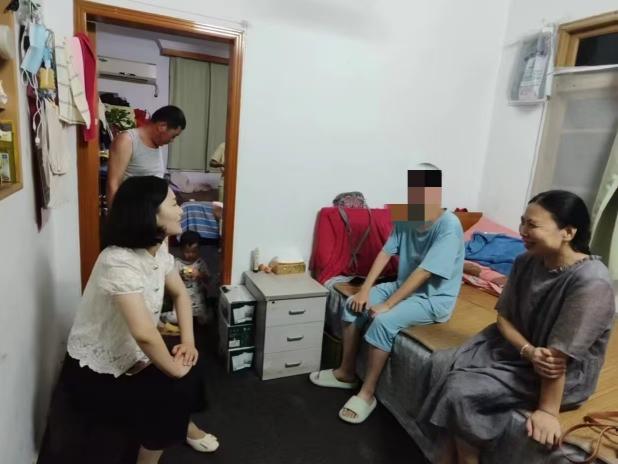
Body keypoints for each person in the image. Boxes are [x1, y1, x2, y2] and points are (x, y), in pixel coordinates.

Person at [411, 190, 616, 464]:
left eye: (532, 225)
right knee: (439, 364)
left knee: (461, 389)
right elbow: (503, 318)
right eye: (522, 222)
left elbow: (555, 360)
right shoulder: (525, 260)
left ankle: (464, 459)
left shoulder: (591, 282)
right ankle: (447, 455)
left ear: (568, 232)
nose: (522, 231)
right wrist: (528, 350)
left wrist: (547, 411)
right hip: (516, 348)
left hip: (564, 374)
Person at [38, 176, 218, 464]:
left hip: (136, 352)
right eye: (174, 204)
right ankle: (150, 457)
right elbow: (144, 333)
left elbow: (180, 294)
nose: (181, 210)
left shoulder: (159, 248)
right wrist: (173, 369)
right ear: (151, 213)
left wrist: (188, 342)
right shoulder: (118, 261)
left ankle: (182, 425)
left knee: (190, 367)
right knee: (176, 382)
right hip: (99, 368)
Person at [310, 165, 465, 424]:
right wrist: (364, 291)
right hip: (402, 284)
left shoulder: (450, 225)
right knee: (352, 305)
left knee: (383, 321)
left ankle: (367, 393)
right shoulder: (408, 214)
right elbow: (385, 252)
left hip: (433, 298)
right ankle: (346, 372)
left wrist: (389, 304)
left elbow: (425, 272)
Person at [106, 105, 186, 205]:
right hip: (133, 211)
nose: (172, 140)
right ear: (162, 126)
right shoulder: (127, 140)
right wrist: (114, 214)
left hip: (152, 210)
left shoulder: (156, 143)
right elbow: (112, 185)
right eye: (173, 136)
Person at [164, 230, 211, 325]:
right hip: (181, 300)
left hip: (198, 300)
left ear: (199, 250)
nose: (190, 255)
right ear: (181, 250)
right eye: (187, 252)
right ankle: (162, 316)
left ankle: (210, 309)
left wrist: (199, 274)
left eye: (194, 251)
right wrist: (179, 276)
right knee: (176, 319)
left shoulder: (200, 263)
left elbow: (208, 279)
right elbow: (170, 280)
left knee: (205, 320)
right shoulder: (177, 263)